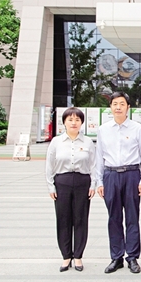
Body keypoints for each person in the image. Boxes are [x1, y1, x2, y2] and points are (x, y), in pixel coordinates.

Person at [94, 92, 141, 274]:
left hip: (132, 174)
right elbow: (99, 157)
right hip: (111, 175)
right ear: (110, 107)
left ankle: (132, 257)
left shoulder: (137, 128)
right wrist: (99, 181)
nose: (118, 107)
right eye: (115, 104)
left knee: (132, 217)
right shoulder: (103, 129)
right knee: (114, 218)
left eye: (122, 104)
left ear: (128, 107)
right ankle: (116, 257)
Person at [45, 107, 96, 272]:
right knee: (63, 220)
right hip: (62, 182)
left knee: (81, 219)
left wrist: (93, 184)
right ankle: (66, 256)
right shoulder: (56, 142)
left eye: (77, 120)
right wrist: (51, 185)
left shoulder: (88, 142)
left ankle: (78, 256)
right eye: (70, 120)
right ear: (64, 122)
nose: (74, 123)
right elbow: (49, 165)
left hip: (82, 182)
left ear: (81, 123)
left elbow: (94, 165)